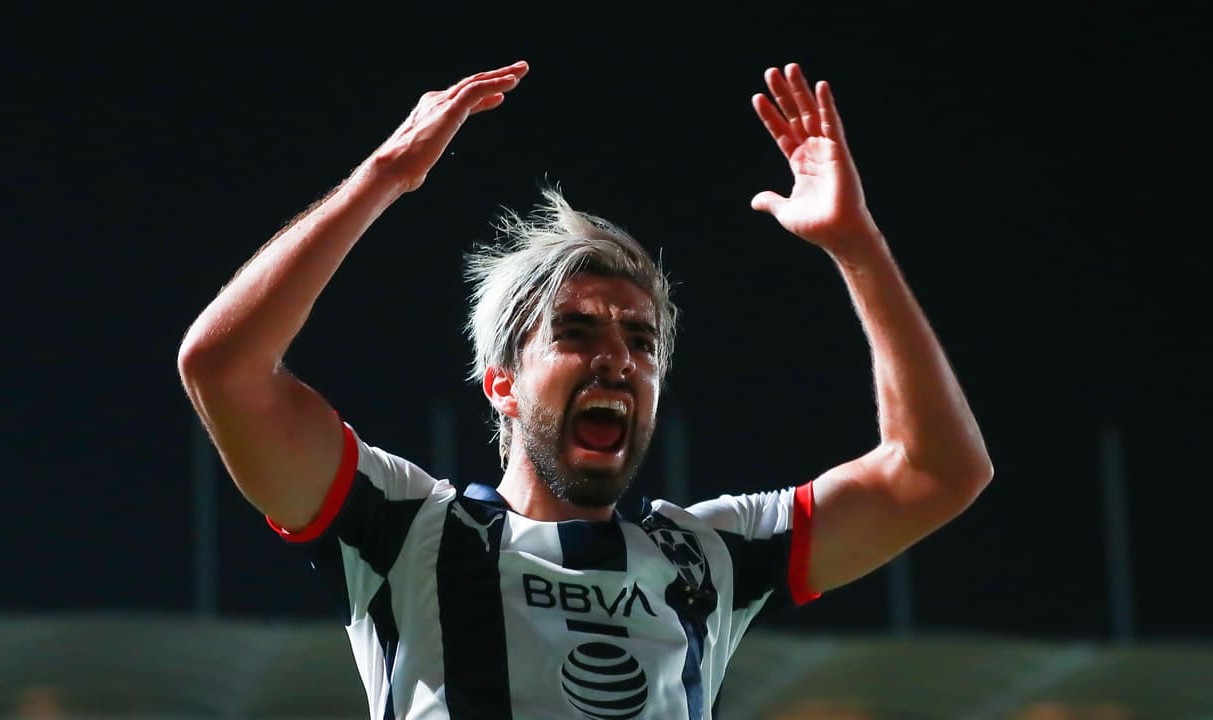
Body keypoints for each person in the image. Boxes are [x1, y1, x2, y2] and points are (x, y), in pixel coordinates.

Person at [177, 59, 992, 719]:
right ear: (501, 384)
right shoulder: (407, 530)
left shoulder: (707, 556)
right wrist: (383, 177)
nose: (618, 361)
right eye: (576, 333)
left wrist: (856, 246)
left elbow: (939, 471)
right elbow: (224, 369)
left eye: (642, 342)